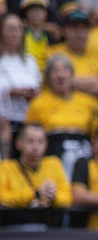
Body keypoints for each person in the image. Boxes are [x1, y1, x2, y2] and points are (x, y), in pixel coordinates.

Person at [25, 54, 98, 177]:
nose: (60, 75)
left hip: (83, 156)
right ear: (48, 77)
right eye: (55, 71)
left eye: (64, 70)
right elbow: (29, 135)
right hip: (52, 157)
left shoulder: (90, 102)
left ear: (72, 75)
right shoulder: (38, 103)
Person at [0, 123, 72, 227]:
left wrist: (53, 196)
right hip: (14, 226)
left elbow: (68, 197)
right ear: (18, 143)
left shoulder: (54, 164)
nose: (35, 147)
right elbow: (2, 198)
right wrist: (35, 194)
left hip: (48, 226)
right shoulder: (5, 167)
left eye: (40, 142)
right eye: (30, 141)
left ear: (46, 144)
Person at [0, 14, 42, 159]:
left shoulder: (30, 61)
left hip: (27, 121)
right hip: (4, 121)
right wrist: (10, 92)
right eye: (11, 29)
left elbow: (40, 88)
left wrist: (33, 93)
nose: (15, 33)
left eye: (19, 29)